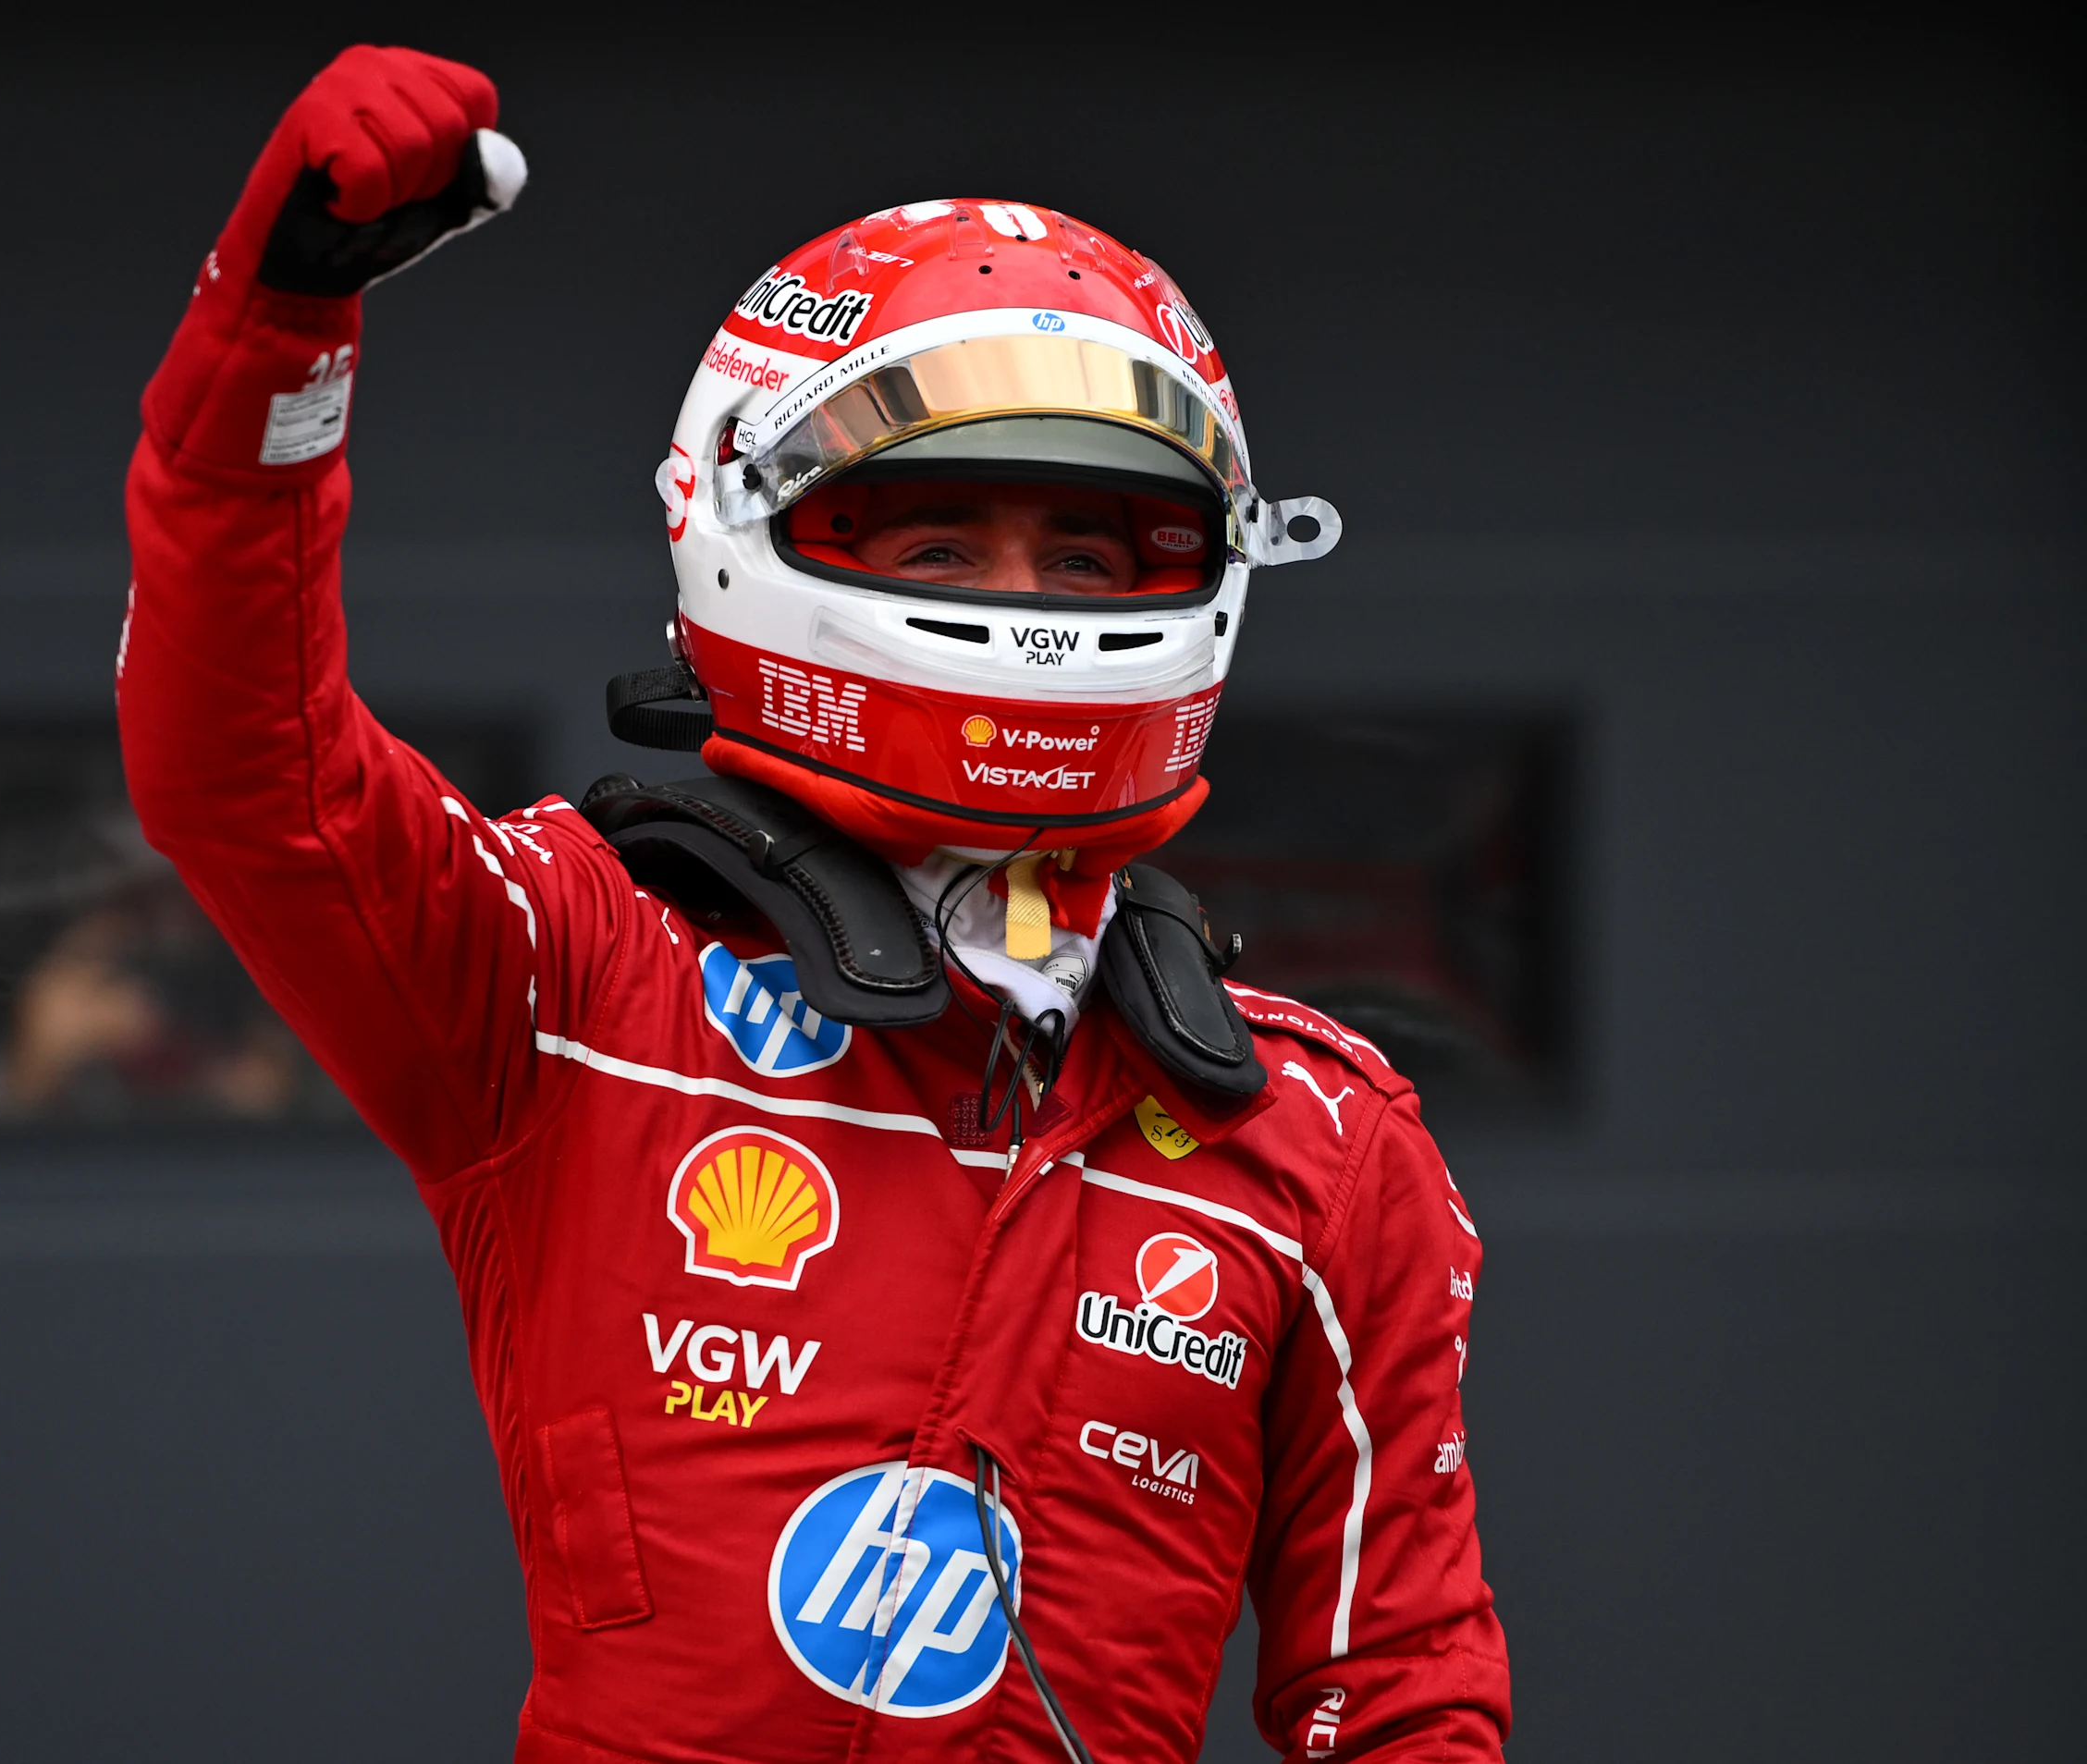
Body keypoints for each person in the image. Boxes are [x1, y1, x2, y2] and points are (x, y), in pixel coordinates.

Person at [119, 45, 1509, 1764]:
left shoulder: (1318, 1145)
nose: (1030, 605)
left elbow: (1402, 1693)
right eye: (938, 548)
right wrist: (273, 343)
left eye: (1091, 555)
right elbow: (244, 772)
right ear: (742, 524)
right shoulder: (576, 980)